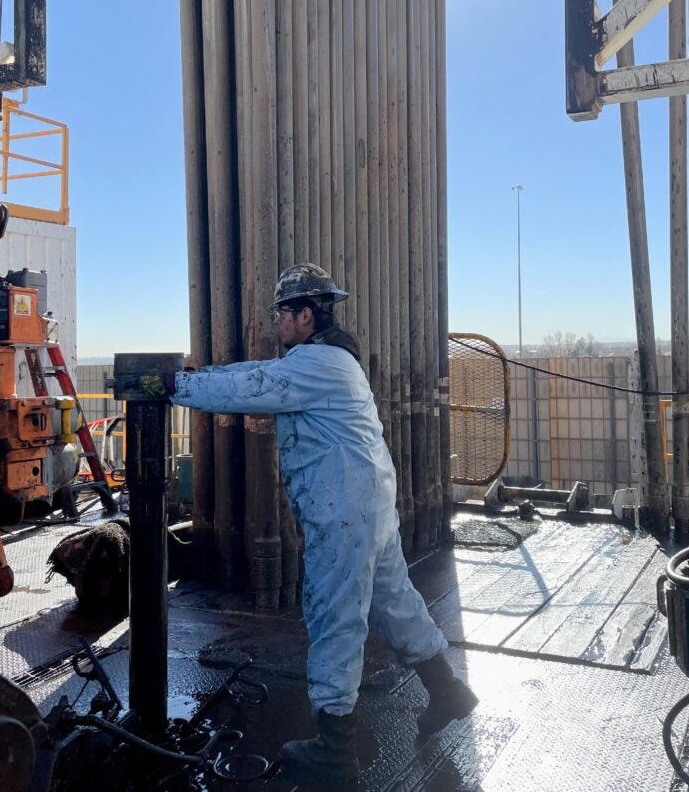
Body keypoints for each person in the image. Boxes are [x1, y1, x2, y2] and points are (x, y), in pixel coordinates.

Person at [171, 263, 477, 785]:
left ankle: (336, 749)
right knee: (394, 601)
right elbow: (254, 373)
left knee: (334, 615)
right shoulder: (328, 361)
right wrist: (193, 375)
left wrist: (170, 386)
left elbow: (252, 386)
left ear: (305, 315)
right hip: (367, 504)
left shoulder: (316, 364)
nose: (278, 325)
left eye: (283, 315)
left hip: (343, 512)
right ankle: (448, 691)